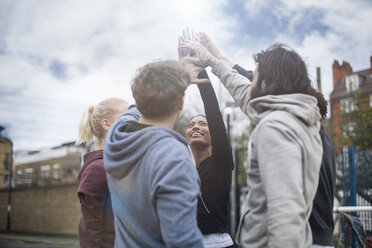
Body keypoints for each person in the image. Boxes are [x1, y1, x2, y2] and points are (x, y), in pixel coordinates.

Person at [197, 32, 337, 247]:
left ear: (265, 83)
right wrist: (216, 60)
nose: (250, 80)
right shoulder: (307, 124)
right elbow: (246, 92)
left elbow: (285, 213)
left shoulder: (276, 127)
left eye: (254, 76)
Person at [103, 60, 204, 248]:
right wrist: (180, 79)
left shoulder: (115, 139)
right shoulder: (174, 158)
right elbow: (183, 241)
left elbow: (135, 108)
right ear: (181, 103)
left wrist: (177, 78)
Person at [179, 31, 235, 248]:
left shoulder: (221, 162)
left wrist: (200, 71)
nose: (195, 127)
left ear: (214, 135)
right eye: (191, 124)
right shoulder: (180, 165)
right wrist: (180, 76)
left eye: (202, 124)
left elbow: (213, 112)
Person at [75, 98, 129, 248]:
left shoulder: (122, 164)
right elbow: (90, 231)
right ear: (107, 124)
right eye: (127, 116)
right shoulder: (97, 168)